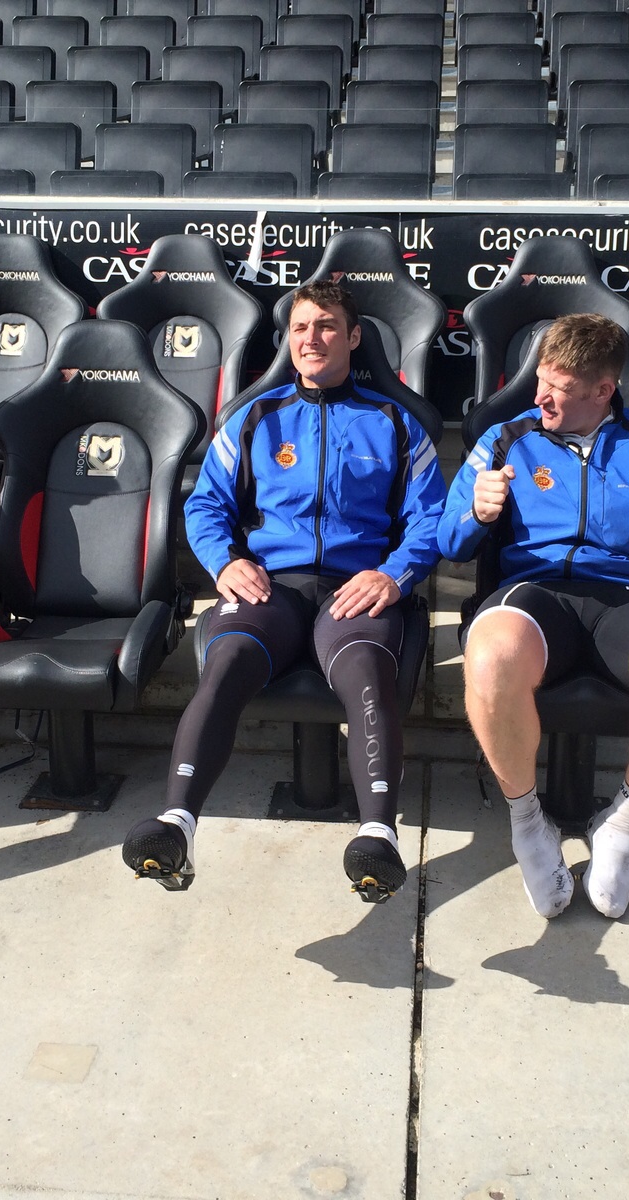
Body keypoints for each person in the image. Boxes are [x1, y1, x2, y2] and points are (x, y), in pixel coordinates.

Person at [121, 280, 445, 902]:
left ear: (354, 337)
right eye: (300, 328)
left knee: (367, 668)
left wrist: (393, 574)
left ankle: (378, 835)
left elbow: (430, 519)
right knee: (228, 660)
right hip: (272, 584)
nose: (311, 338)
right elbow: (206, 506)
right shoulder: (252, 419)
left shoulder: (396, 422)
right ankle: (177, 825)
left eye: (326, 326)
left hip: (357, 588)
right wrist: (224, 563)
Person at [440, 313, 629, 921]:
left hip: (624, 598)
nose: (541, 398)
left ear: (603, 390)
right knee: (490, 654)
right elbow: (449, 540)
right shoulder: (505, 439)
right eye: (540, 382)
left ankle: (623, 822)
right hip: (534, 594)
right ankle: (528, 821)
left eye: (560, 388)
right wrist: (477, 512)